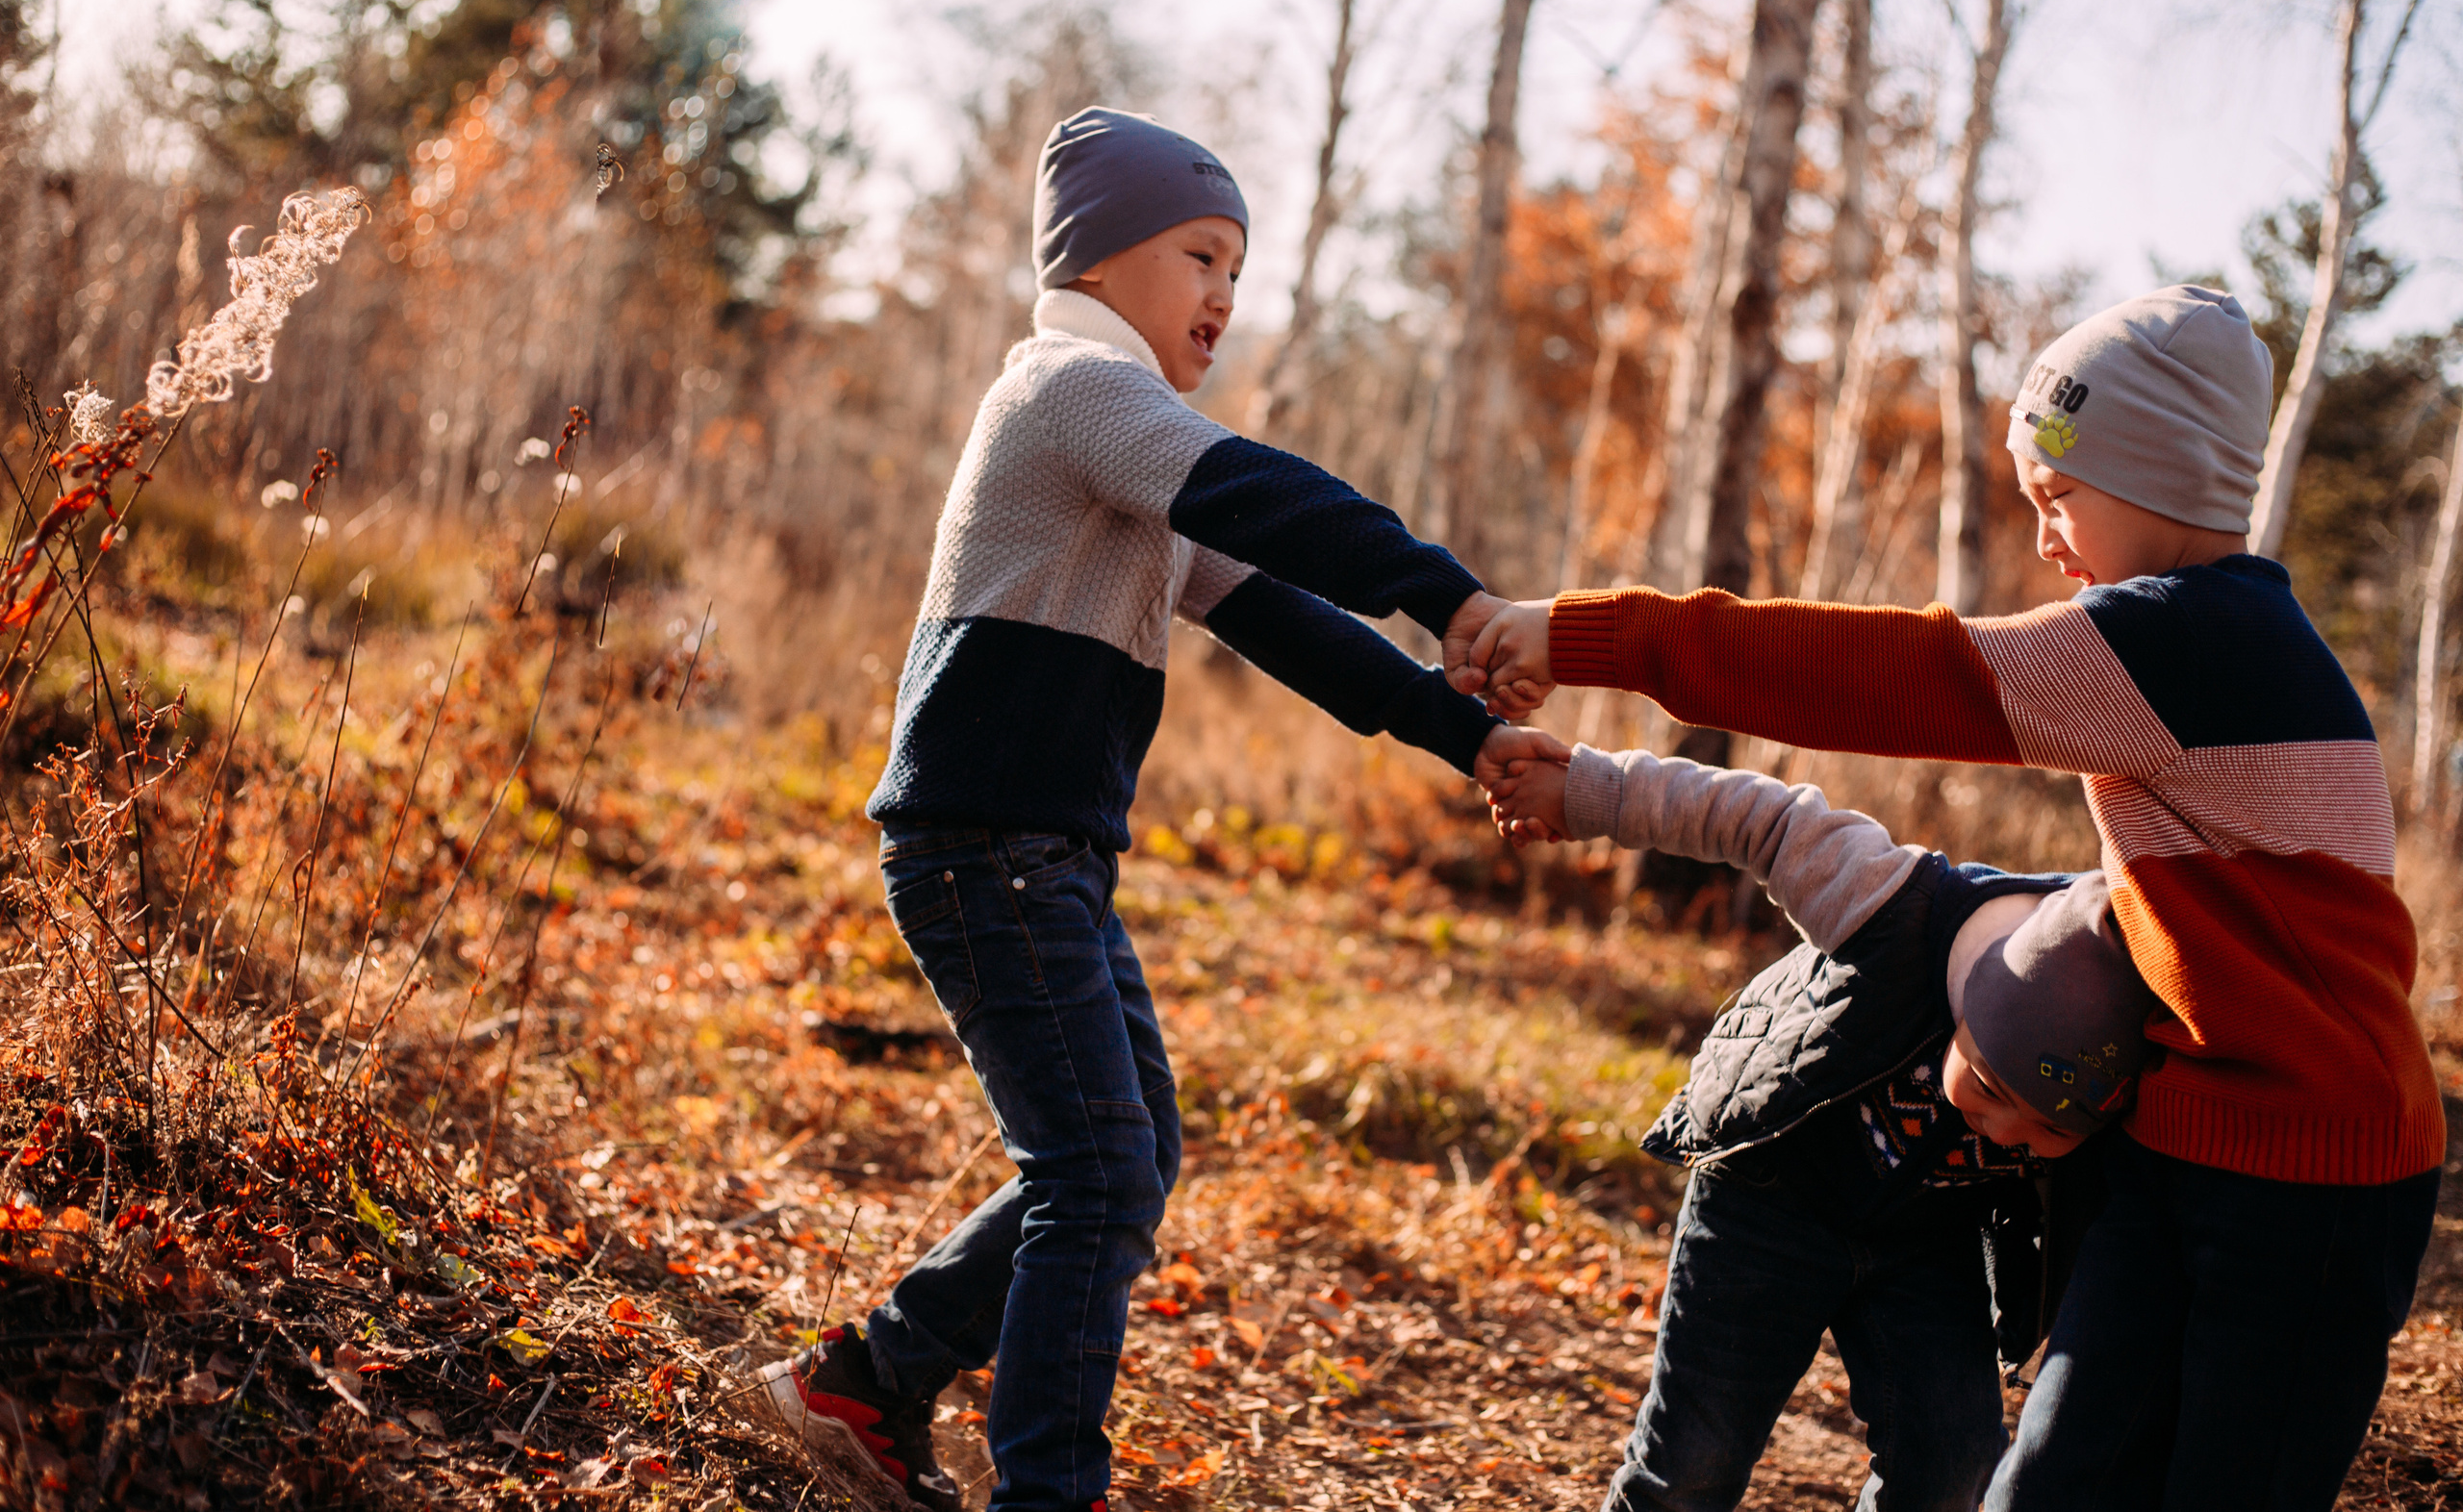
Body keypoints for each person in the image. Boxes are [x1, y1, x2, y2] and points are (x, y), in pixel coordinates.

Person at [1453, 286, 2445, 1508]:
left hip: (2318, 1175)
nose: (2043, 539)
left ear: (2165, 479)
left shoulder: (2186, 645)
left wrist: (1588, 634)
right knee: (2050, 1481)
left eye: (2056, 496)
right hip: (2182, 1129)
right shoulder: (2185, 644)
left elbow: (1886, 676)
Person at [757, 106, 1560, 1512]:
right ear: (1100, 258)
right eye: (1201, 255)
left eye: (1237, 269)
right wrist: (1453, 592)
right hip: (989, 841)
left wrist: (1462, 731)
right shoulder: (1072, 391)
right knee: (1096, 1168)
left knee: (1128, 1156)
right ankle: (1043, 1486)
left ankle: (873, 1374)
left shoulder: (1121, 450)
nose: (1225, 297)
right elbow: (1269, 496)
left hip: (1031, 850)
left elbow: (1290, 620)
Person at [1487, 743, 2146, 1511]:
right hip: (1770, 1195)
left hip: (1930, 1240)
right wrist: (1583, 792)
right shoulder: (1891, 907)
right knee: (1693, 1464)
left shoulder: (2127, 1029)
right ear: (1967, 1011)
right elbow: (1757, 817)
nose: (2000, 1131)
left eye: (2037, 1135)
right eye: (1989, 1086)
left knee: (1955, 1464)